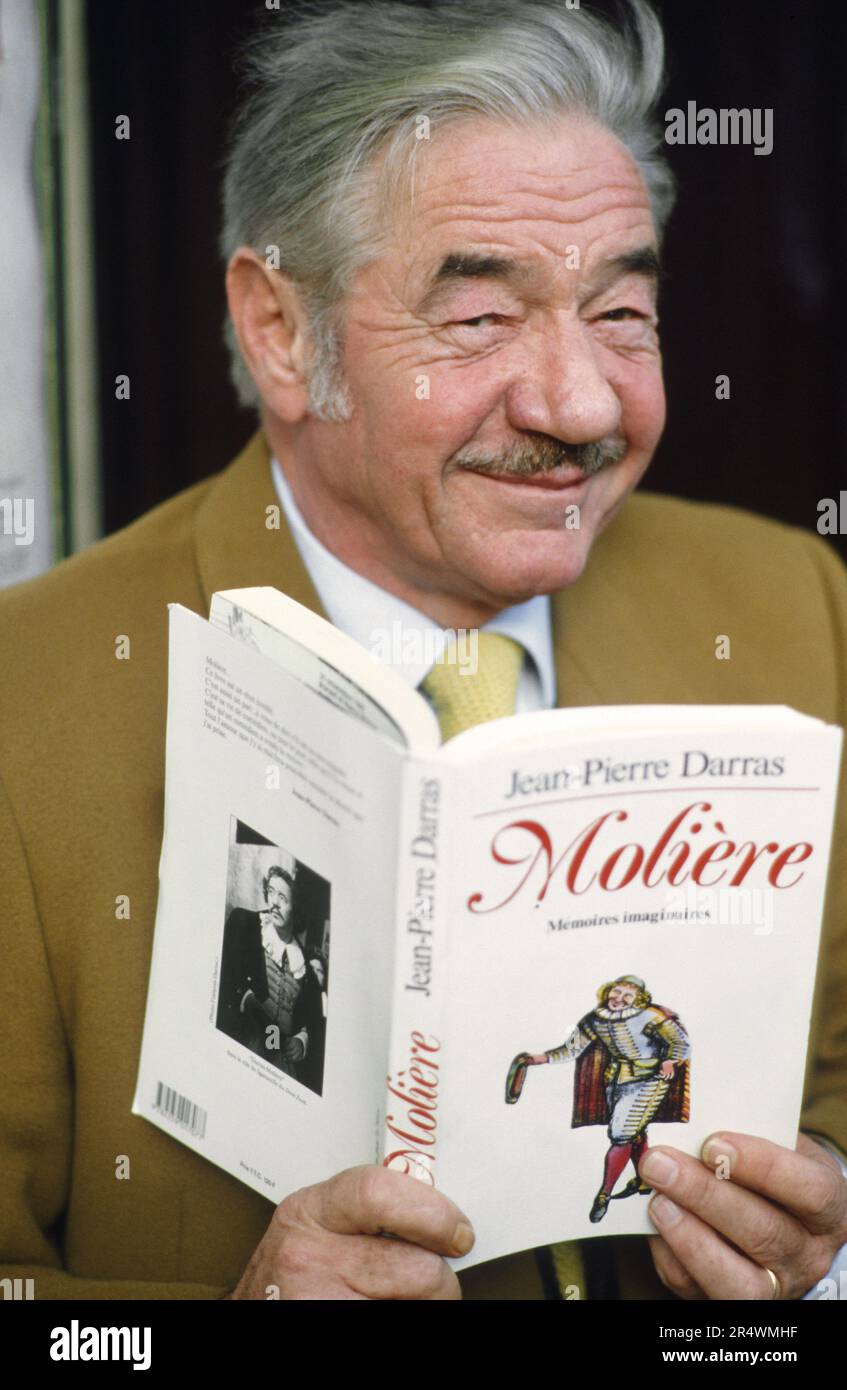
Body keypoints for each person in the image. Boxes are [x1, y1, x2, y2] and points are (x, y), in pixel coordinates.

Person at [1, 0, 845, 1301]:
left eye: (619, 312)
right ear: (282, 330)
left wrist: (822, 1230)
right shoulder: (25, 706)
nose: (575, 406)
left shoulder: (790, 605)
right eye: (477, 320)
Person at [518, 976, 691, 1224]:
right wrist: (539, 1059)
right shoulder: (596, 1019)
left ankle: (604, 1195)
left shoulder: (650, 1017)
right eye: (615, 992)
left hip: (649, 1080)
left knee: (621, 1134)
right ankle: (644, 1180)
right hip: (617, 1080)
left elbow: (680, 1043)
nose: (619, 999)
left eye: (627, 996)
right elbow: (572, 1049)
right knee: (634, 1131)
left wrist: (669, 1060)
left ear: (638, 999)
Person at [216, 866, 325, 1093]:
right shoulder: (245, 925)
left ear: (297, 908)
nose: (274, 902)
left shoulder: (304, 962)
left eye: (283, 898)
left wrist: (302, 1040)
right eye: (271, 892)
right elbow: (222, 983)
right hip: (243, 1045)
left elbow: (313, 1020)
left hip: (280, 1063)